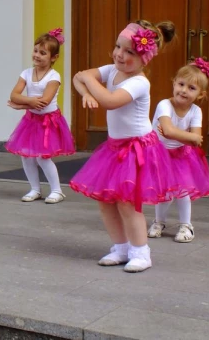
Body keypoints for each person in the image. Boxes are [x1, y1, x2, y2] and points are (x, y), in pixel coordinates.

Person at [70, 21, 177, 272]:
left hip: (137, 148)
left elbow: (109, 100)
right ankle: (120, 248)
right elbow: (78, 77)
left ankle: (141, 252)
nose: (120, 54)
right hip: (115, 148)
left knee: (128, 203)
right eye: (118, 47)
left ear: (144, 60)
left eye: (129, 52)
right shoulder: (112, 70)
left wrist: (89, 81)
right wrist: (84, 91)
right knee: (106, 201)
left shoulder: (139, 82)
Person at [148, 58, 209, 243]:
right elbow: (171, 132)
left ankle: (186, 225)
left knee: (183, 191)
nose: (184, 90)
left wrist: (187, 138)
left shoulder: (196, 111)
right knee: (164, 192)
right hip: (159, 154)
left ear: (200, 95)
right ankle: (158, 221)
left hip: (181, 156)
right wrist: (188, 137)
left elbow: (196, 141)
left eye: (191, 88)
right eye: (181, 84)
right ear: (174, 83)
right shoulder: (164, 105)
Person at [6, 28, 75, 203]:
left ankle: (57, 190)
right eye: (36, 50)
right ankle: (35, 189)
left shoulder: (54, 76)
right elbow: (14, 94)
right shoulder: (26, 73)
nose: (37, 55)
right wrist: (26, 101)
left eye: (42, 53)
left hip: (48, 121)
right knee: (26, 155)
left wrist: (21, 104)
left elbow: (44, 101)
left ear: (54, 57)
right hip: (31, 121)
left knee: (43, 157)